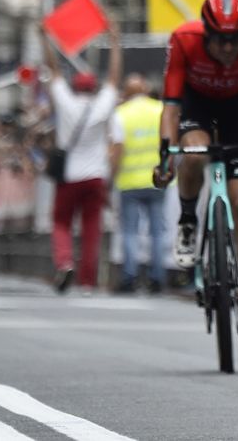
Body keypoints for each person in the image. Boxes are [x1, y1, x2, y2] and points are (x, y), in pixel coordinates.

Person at [154, 0, 238, 344]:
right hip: (196, 105)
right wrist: (165, 154)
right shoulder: (184, 39)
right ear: (206, 33)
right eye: (220, 40)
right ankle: (188, 221)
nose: (228, 48)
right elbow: (171, 106)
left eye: (235, 40)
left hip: (236, 109)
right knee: (194, 153)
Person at [40, 18, 122, 294]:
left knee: (61, 222)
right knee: (91, 230)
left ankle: (64, 262)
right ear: (93, 87)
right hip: (96, 176)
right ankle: (87, 281)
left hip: (69, 176)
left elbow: (54, 71)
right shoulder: (102, 105)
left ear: (76, 87)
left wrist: (45, 38)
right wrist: (114, 41)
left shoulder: (65, 102)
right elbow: (113, 78)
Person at [109, 73, 167, 294]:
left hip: (130, 181)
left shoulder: (121, 114)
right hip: (158, 179)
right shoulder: (161, 109)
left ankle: (130, 276)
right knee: (157, 232)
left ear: (126, 92)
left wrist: (111, 178)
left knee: (130, 232)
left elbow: (117, 149)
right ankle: (158, 277)